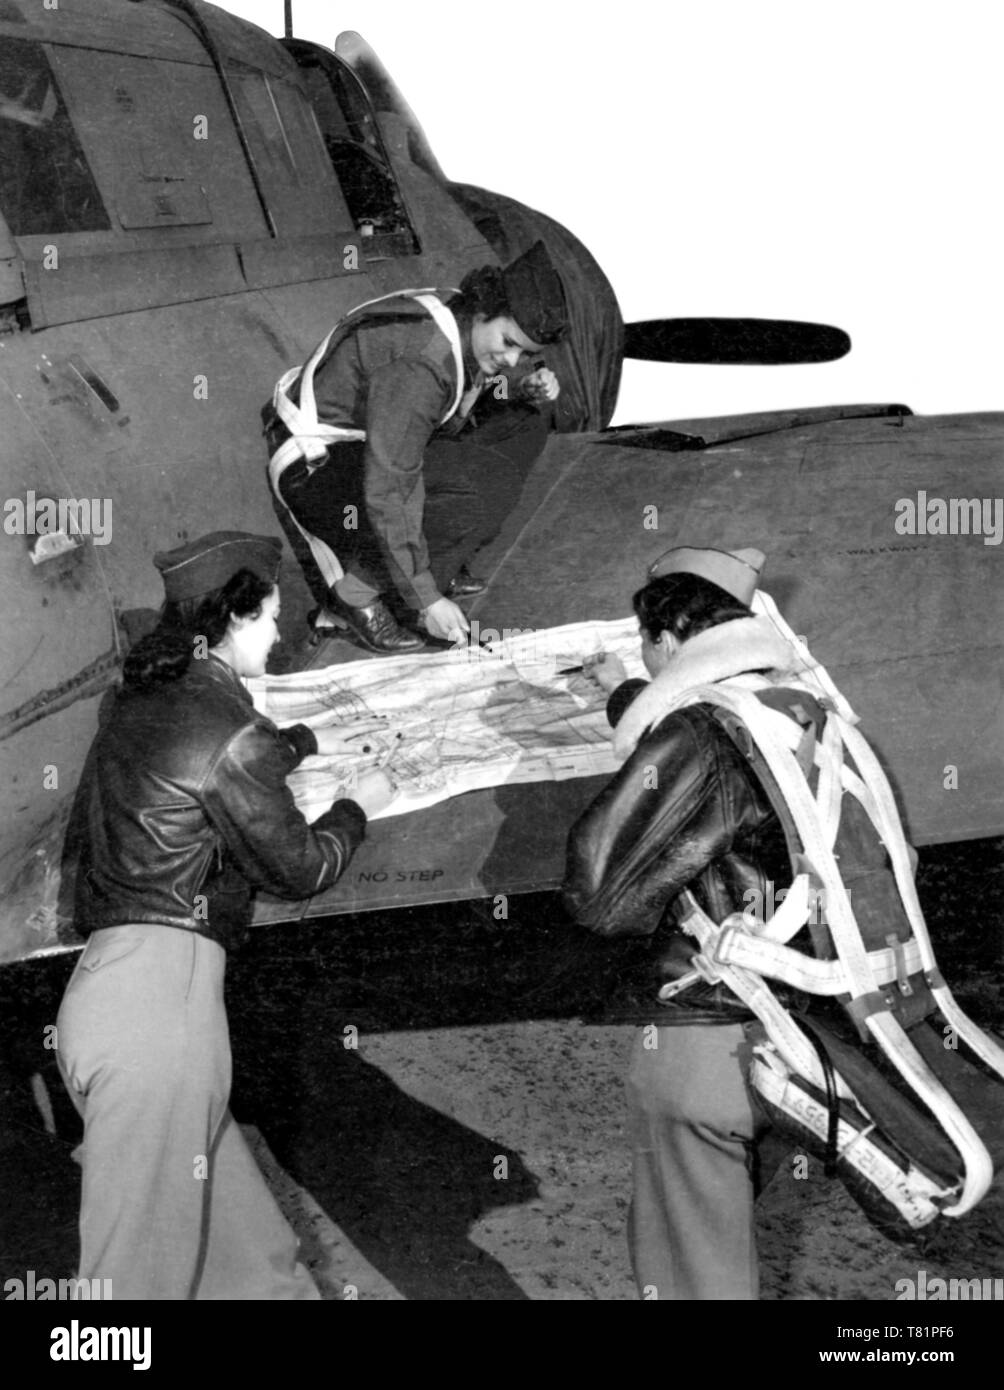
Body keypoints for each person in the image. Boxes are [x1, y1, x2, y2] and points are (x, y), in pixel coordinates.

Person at [56, 530, 395, 1300]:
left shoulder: (139, 700)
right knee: (125, 1300)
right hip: (162, 1034)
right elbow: (301, 868)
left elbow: (196, 773)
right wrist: (356, 807)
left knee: (252, 1267)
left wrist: (296, 743)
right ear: (235, 619)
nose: (280, 634)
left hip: (109, 1002)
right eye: (272, 617)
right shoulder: (229, 728)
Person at [560, 545, 823, 1300]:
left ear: (671, 638)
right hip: (799, 1032)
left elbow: (599, 893)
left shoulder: (700, 735)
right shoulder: (799, 711)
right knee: (721, 1241)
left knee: (690, 1270)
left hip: (702, 1040)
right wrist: (632, 698)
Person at [262, 240, 568, 654]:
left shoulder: (464, 319)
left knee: (526, 422)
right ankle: (355, 597)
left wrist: (519, 390)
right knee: (478, 489)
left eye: (526, 354)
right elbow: (392, 486)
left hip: (372, 440)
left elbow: (461, 393)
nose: (514, 360)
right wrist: (426, 599)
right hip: (315, 468)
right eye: (510, 342)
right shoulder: (421, 364)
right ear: (484, 313)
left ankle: (438, 559)